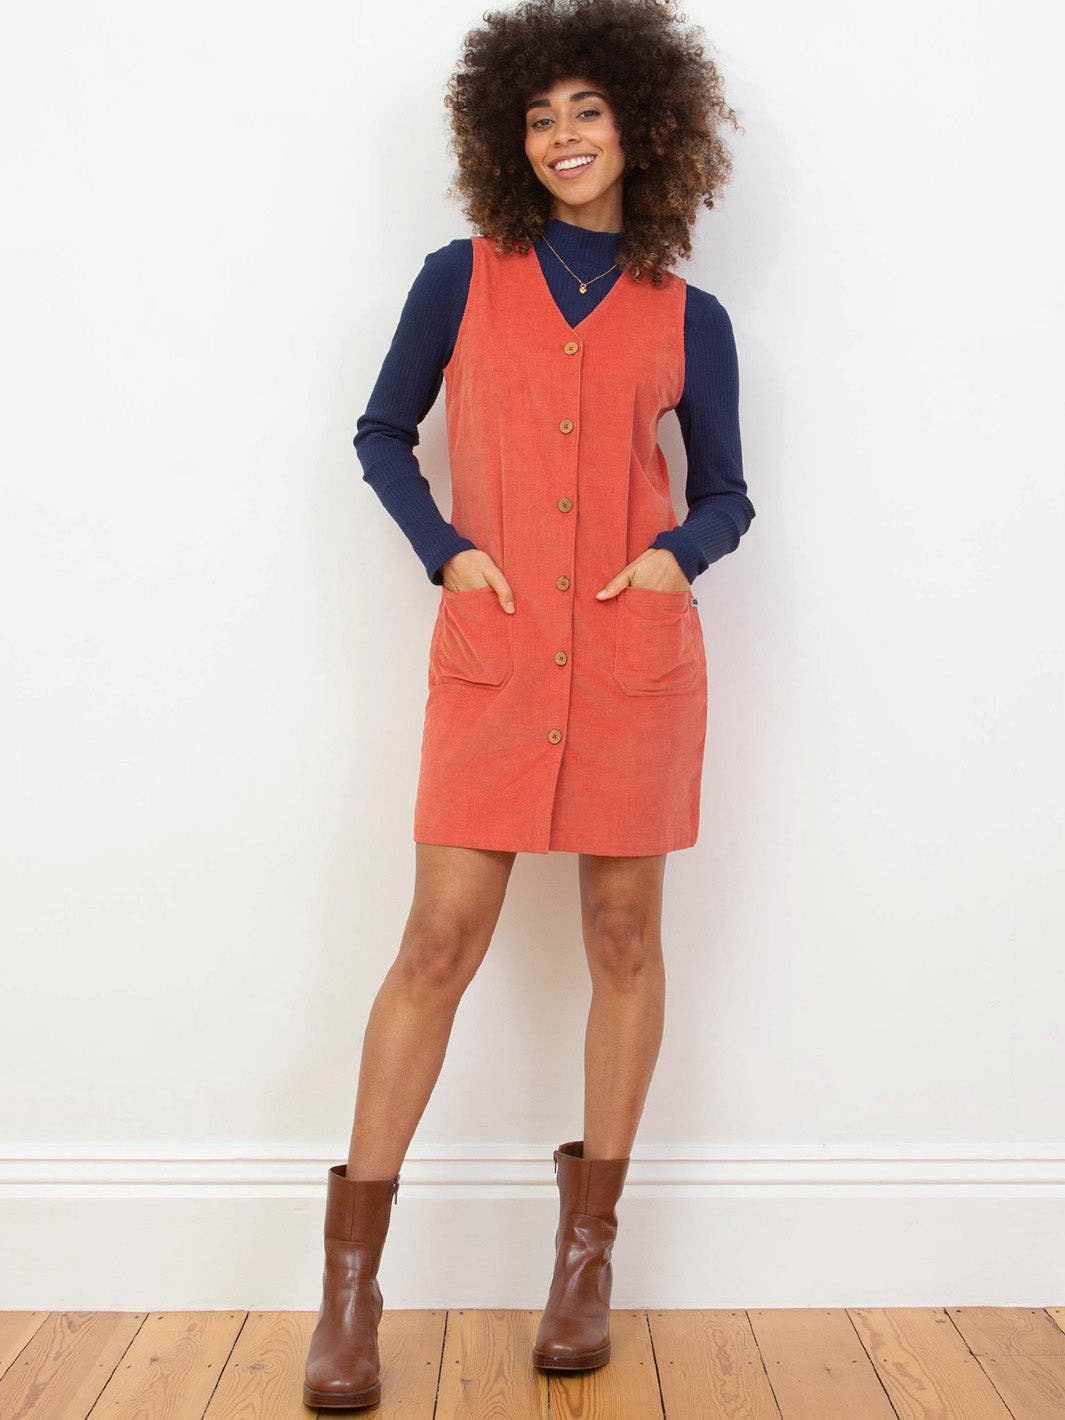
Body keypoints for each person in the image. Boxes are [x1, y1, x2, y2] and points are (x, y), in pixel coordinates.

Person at [303, 0, 755, 1407]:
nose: (563, 136)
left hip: (631, 663)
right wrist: (448, 551)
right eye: (539, 116)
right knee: (436, 941)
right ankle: (350, 1291)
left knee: (624, 939)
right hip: (495, 658)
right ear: (510, 138)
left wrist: (676, 558)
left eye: (588, 111)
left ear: (643, 126)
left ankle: (584, 1263)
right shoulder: (460, 278)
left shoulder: (690, 315)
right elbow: (382, 433)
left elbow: (729, 494)